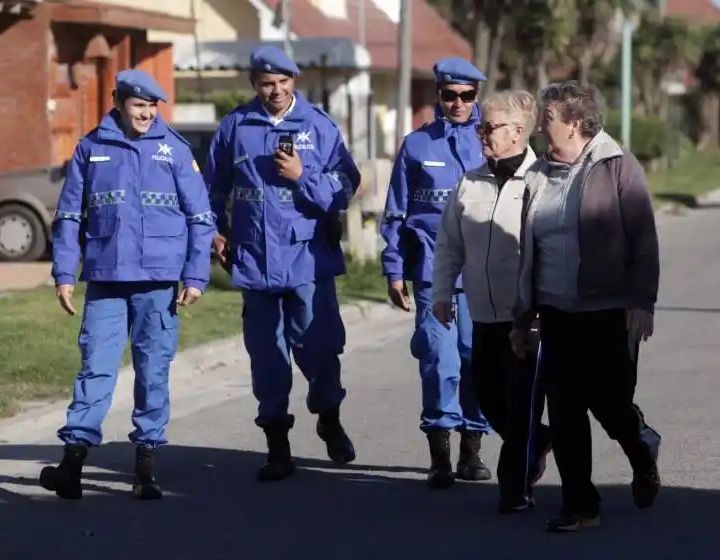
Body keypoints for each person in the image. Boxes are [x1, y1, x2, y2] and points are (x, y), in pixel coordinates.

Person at [41, 69, 215, 501]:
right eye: (139, 105)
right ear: (118, 101)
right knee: (95, 369)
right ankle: (72, 467)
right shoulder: (90, 148)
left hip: (157, 284)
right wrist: (64, 272)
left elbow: (201, 218)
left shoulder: (173, 150)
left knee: (152, 372)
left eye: (153, 106)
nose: (147, 113)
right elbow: (68, 217)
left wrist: (195, 275)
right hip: (105, 279)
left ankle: (145, 470)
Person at [204, 45, 361, 482]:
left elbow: (346, 184)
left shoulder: (319, 126)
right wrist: (215, 231)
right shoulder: (236, 126)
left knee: (320, 349)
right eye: (267, 83)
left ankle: (329, 416)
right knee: (267, 356)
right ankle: (277, 447)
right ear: (255, 84)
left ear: (295, 82)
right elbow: (210, 188)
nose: (275, 90)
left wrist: (302, 177)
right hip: (254, 260)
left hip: (308, 258)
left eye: (283, 82)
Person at [511, 80, 662, 533]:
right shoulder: (537, 174)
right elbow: (528, 251)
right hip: (558, 312)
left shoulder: (617, 165)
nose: (541, 124)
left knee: (611, 406)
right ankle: (581, 505)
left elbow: (643, 239)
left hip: (609, 310)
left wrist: (641, 301)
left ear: (575, 123)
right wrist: (525, 316)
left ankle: (640, 445)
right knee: (565, 407)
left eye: (549, 118)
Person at [433, 90, 553, 512]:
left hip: (526, 318)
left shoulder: (543, 181)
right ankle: (539, 440)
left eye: (490, 127)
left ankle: (515, 490)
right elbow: (448, 244)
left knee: (520, 406)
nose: (481, 134)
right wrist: (443, 293)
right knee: (486, 398)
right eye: (480, 127)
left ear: (519, 133)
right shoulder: (469, 181)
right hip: (481, 313)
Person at [381, 57, 491, 489]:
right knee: (438, 361)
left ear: (476, 96)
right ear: (438, 96)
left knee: (475, 361)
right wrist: (393, 269)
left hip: (484, 274)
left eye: (466, 96)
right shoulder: (416, 146)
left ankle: (472, 449)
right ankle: (440, 456)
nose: (458, 103)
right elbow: (395, 213)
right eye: (450, 95)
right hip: (433, 274)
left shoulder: (493, 142)